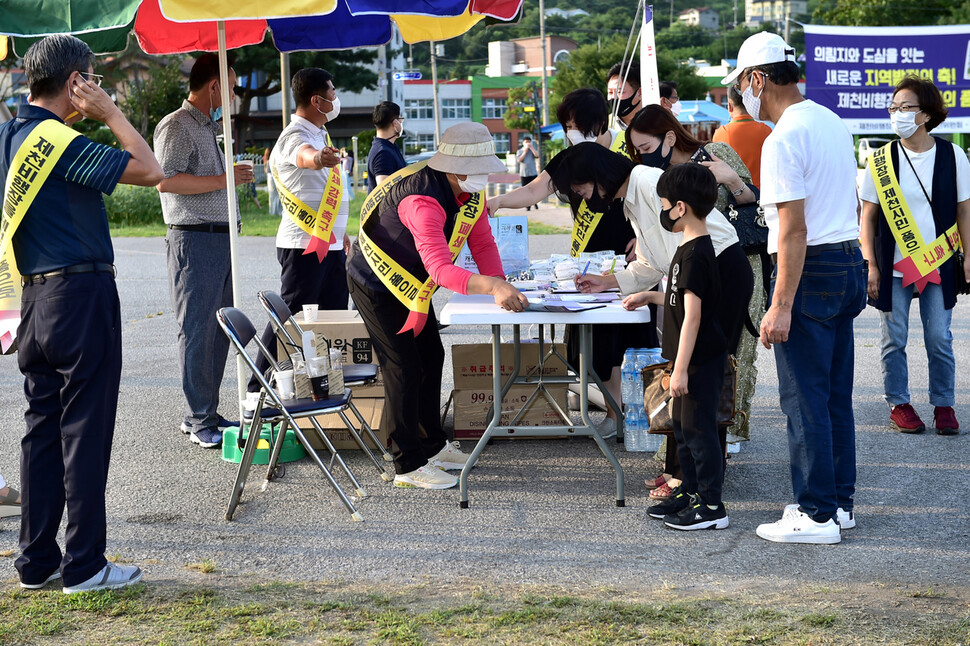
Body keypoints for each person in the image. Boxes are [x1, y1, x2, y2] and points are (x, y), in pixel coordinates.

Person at [0, 34, 162, 592]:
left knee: (41, 431)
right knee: (85, 432)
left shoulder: (8, 139)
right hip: (81, 298)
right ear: (77, 83)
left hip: (33, 302)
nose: (98, 86)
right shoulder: (60, 141)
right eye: (92, 78)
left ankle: (35, 561)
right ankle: (87, 565)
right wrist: (112, 112)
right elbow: (150, 169)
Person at [723, 32, 866, 544]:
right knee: (832, 398)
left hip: (810, 268)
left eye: (742, 84)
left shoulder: (782, 138)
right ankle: (837, 504)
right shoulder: (829, 120)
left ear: (758, 78)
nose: (742, 95)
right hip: (846, 259)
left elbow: (792, 230)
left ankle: (816, 514)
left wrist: (779, 304)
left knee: (804, 400)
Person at [347, 122, 528, 489]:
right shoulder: (422, 200)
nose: (487, 175)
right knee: (403, 367)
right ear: (458, 168)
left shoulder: (465, 190)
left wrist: (500, 282)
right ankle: (407, 462)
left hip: (413, 284)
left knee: (431, 356)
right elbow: (442, 270)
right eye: (482, 169)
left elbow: (482, 242)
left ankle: (432, 444)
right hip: (378, 283)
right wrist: (491, 286)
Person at [489, 88, 644, 438]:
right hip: (586, 261)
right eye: (566, 125)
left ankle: (626, 413)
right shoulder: (569, 158)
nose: (570, 131)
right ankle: (611, 408)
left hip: (627, 257)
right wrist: (498, 202)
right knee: (596, 344)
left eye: (576, 124)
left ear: (599, 122)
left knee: (625, 341)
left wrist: (645, 239)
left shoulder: (627, 149)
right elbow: (535, 190)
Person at [626, 105, 763, 450]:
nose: (643, 159)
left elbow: (757, 207)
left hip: (738, 265)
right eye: (637, 153)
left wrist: (730, 179)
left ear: (669, 137)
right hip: (696, 270)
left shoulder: (716, 152)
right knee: (694, 360)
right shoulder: (664, 179)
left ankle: (721, 441)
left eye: (645, 149)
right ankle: (687, 453)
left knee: (731, 360)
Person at [860, 75, 970, 435]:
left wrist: (969, 256)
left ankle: (944, 404)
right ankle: (899, 402)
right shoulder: (880, 160)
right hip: (893, 265)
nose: (897, 114)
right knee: (894, 337)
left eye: (905, 107)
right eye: (893, 108)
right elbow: (868, 217)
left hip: (938, 261)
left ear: (925, 114)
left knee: (939, 337)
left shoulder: (953, 155)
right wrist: (871, 265)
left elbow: (964, 210)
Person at [154, 53, 253, 449]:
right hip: (194, 239)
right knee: (197, 330)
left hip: (217, 237)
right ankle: (199, 418)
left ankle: (206, 412)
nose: (232, 94)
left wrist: (225, 180)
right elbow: (165, 181)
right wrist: (222, 179)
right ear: (213, 87)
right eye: (229, 88)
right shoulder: (176, 125)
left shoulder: (208, 126)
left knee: (219, 330)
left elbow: (207, 181)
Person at [245, 67, 351, 402]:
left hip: (330, 243)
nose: (336, 99)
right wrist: (320, 158)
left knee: (333, 317)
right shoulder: (295, 136)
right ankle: (257, 388)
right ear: (317, 100)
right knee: (289, 318)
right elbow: (306, 159)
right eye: (332, 93)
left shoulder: (321, 132)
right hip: (304, 246)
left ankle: (323, 387)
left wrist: (341, 232)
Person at [642, 164, 730, 531]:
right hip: (689, 358)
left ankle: (711, 506)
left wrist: (680, 369)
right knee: (682, 426)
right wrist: (649, 296)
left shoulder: (696, 254)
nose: (662, 213)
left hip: (697, 360)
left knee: (698, 430)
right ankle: (692, 492)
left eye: (664, 205)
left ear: (680, 207)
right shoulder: (689, 246)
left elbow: (693, 316)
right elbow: (680, 301)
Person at [712, 86, 772, 189]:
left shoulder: (721, 133)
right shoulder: (766, 131)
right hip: (763, 194)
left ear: (730, 106)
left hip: (735, 197)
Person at [367, 100, 406, 193]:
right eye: (401, 120)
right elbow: (384, 191)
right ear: (395, 123)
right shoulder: (383, 153)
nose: (402, 123)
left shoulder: (390, 146)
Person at [607, 61, 642, 131]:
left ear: (640, 93)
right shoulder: (603, 126)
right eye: (610, 92)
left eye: (619, 92)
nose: (613, 97)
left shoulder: (658, 123)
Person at [516, 136, 538, 210]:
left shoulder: (532, 150)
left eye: (529, 142)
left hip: (533, 173)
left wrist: (531, 148)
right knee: (525, 190)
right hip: (524, 174)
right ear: (523, 143)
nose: (528, 143)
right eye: (526, 142)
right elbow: (519, 160)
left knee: (534, 189)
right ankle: (527, 206)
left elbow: (537, 155)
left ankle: (535, 203)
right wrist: (525, 151)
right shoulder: (520, 151)